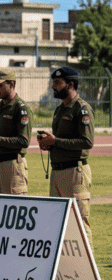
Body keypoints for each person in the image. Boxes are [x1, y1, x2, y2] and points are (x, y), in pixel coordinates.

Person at [38, 66, 93, 241]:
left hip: (74, 173)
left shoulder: (82, 109)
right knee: (58, 224)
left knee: (79, 224)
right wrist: (48, 144)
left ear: (70, 84)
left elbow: (87, 142)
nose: (53, 86)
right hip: (57, 172)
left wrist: (55, 141)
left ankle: (88, 269)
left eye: (57, 83)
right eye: (53, 82)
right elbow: (60, 141)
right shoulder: (60, 109)